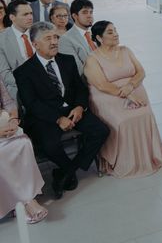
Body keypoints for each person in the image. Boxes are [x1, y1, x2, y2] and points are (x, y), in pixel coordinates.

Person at [15, 22, 110, 199]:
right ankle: (68, 170)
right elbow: (32, 104)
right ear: (35, 44)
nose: (54, 42)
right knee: (50, 146)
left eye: (55, 37)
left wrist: (80, 106)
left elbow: (80, 88)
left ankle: (66, 172)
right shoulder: (23, 72)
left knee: (101, 131)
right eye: (48, 39)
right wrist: (58, 119)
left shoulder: (67, 60)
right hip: (46, 116)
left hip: (74, 109)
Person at [83, 21, 162, 178]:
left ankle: (148, 157)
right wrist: (125, 93)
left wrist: (131, 86)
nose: (116, 34)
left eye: (116, 30)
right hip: (108, 96)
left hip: (132, 90)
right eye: (110, 32)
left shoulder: (126, 50)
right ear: (99, 37)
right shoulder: (92, 59)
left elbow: (141, 72)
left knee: (145, 115)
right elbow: (101, 84)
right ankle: (124, 162)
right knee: (123, 121)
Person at [0, 80, 47, 224]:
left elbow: (8, 102)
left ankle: (25, 199)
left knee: (23, 143)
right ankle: (26, 202)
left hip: (3, 122)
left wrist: (13, 119)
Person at [0, 0, 34, 98]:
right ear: (12, 17)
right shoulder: (2, 40)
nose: (30, 17)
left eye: (31, 13)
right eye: (25, 14)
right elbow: (4, 72)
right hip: (19, 89)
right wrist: (30, 84)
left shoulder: (39, 32)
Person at [58, 0, 96, 73]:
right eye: (85, 12)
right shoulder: (65, 39)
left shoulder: (96, 34)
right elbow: (76, 69)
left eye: (91, 12)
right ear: (75, 16)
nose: (89, 15)